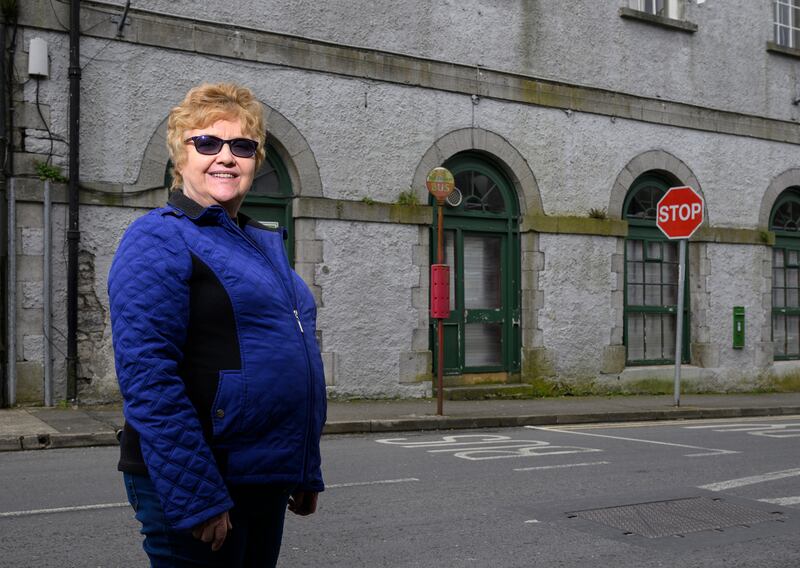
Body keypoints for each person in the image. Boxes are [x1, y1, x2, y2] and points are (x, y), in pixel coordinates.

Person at [108, 82, 326, 567]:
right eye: (207, 143)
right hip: (203, 477)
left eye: (242, 146)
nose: (226, 157)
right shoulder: (158, 238)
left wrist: (303, 468)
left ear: (255, 160)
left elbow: (294, 361)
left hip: (262, 473)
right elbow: (148, 378)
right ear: (179, 158)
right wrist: (199, 495)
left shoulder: (259, 245)